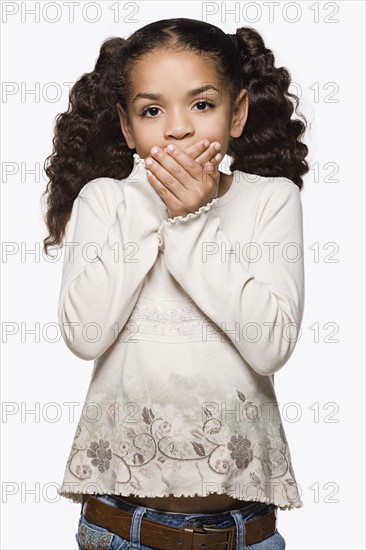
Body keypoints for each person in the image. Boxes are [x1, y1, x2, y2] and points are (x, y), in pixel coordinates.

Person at [42, 17, 309, 550]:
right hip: (121, 528)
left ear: (237, 113)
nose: (178, 128)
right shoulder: (107, 200)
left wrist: (193, 223)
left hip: (242, 532)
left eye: (202, 105)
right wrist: (156, 206)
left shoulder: (270, 199)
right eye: (152, 110)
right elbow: (84, 333)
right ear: (126, 126)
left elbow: (271, 344)